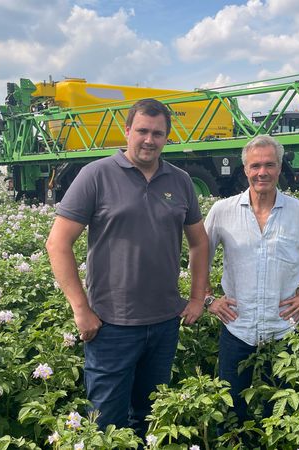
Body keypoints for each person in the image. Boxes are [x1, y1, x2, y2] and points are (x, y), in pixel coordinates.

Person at [46, 98, 209, 438]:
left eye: (158, 133)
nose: (149, 140)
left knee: (151, 418)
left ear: (167, 137)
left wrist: (197, 299)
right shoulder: (96, 175)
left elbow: (199, 242)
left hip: (165, 323)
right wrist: (81, 309)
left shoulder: (179, 181)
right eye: (142, 131)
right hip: (111, 325)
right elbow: (58, 244)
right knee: (106, 423)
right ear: (127, 131)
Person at [203, 135, 299, 426]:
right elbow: (199, 258)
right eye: (255, 165)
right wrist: (208, 299)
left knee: (282, 417)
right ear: (245, 170)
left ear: (280, 168)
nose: (262, 172)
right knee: (231, 415)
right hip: (237, 327)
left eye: (269, 165)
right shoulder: (223, 211)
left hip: (284, 329)